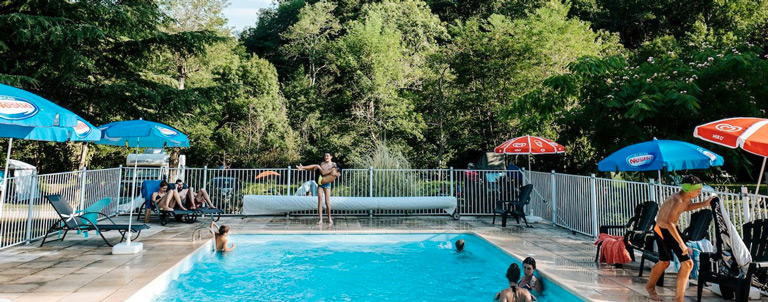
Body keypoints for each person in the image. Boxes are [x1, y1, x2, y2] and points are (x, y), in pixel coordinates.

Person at [645, 175, 716, 302]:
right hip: (662, 230)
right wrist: (682, 244)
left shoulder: (684, 198)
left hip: (671, 229)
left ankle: (679, 299)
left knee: (687, 263)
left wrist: (705, 204)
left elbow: (687, 208)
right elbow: (669, 223)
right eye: (698, 190)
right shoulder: (677, 200)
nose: (700, 192)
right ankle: (650, 287)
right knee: (664, 262)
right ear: (689, 189)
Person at [297, 153, 341, 226]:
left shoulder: (333, 164)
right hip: (320, 183)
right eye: (325, 156)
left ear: (331, 157)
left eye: (327, 156)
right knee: (319, 200)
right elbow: (313, 169)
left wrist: (336, 174)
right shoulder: (322, 163)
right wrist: (312, 168)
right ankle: (320, 219)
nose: (326, 157)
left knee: (327, 202)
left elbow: (338, 173)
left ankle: (329, 218)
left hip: (327, 184)